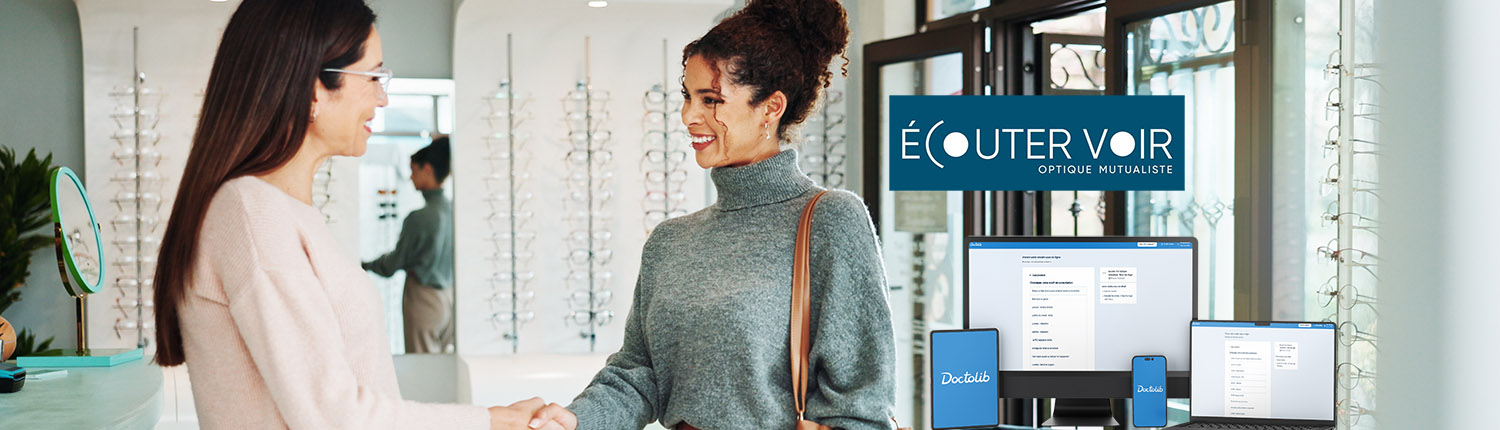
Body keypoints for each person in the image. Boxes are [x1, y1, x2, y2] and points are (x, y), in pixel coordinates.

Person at [149, 1, 561, 428]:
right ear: (314, 89)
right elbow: (334, 415)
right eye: (373, 77)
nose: (382, 97)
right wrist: (491, 421)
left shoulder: (278, 212)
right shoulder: (251, 213)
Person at [528, 0, 896, 429]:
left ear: (770, 108)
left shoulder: (829, 220)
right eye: (688, 97)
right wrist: (575, 420)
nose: (689, 116)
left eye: (711, 99)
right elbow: (638, 376)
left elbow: (861, 407)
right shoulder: (670, 241)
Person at [364, 137, 456, 354]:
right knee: (443, 368)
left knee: (422, 369)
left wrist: (365, 264)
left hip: (424, 301)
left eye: (413, 170)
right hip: (450, 299)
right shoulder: (454, 211)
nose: (410, 177)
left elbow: (393, 264)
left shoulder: (419, 217)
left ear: (427, 169)